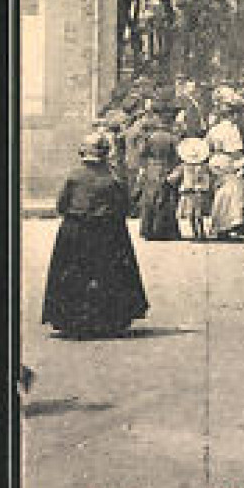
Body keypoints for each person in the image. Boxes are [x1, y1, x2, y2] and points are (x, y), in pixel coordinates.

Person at [42, 133, 149, 339]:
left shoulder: (73, 176)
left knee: (74, 274)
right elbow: (126, 206)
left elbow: (61, 205)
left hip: (76, 229)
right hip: (109, 231)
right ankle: (109, 318)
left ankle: (73, 319)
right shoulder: (114, 177)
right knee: (110, 274)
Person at [136, 103, 182, 241]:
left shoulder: (150, 137)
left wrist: (144, 168)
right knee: (166, 200)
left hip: (152, 169)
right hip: (167, 168)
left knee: (150, 200)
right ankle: (164, 231)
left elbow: (142, 153)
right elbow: (178, 157)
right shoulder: (173, 139)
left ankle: (148, 230)